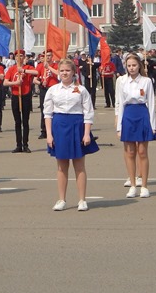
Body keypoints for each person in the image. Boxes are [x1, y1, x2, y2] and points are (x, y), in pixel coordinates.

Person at [44, 58, 98, 211]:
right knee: (62, 166)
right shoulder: (53, 90)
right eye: (62, 70)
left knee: (79, 165)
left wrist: (86, 134)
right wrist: (49, 134)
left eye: (68, 70)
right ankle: (61, 199)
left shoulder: (81, 90)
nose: (64, 73)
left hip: (77, 125)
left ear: (74, 72)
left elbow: (88, 113)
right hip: (59, 126)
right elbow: (47, 114)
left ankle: (82, 200)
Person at [115, 54, 156, 198]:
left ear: (139, 65)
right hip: (128, 114)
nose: (132, 68)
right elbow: (120, 104)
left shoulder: (146, 81)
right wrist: (119, 127)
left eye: (134, 65)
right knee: (130, 152)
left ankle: (144, 186)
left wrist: (153, 125)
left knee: (142, 152)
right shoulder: (122, 82)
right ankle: (132, 185)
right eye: (129, 66)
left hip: (142, 114)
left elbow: (151, 103)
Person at [3, 49, 39, 153]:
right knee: (17, 121)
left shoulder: (28, 67)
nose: (19, 58)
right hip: (15, 96)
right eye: (17, 56)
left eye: (21, 56)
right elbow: (5, 82)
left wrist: (23, 71)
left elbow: (36, 72)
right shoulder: (11, 69)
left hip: (26, 95)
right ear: (15, 58)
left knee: (25, 121)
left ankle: (25, 144)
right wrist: (15, 83)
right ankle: (18, 145)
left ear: (24, 57)